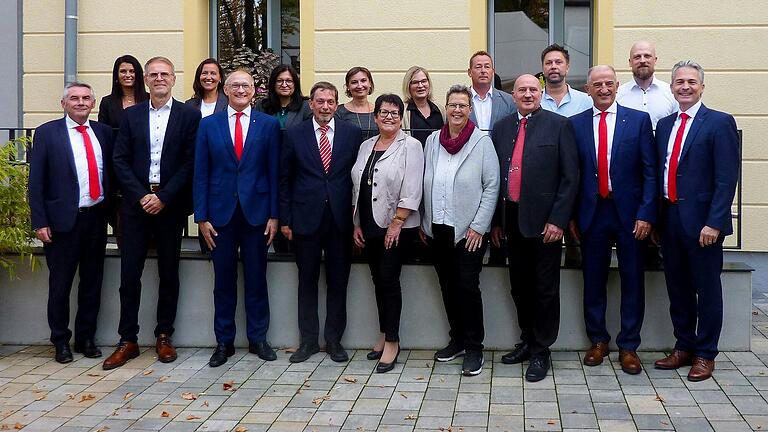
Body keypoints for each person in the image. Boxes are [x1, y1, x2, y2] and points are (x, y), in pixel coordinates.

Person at [105, 56, 201, 370]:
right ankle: (127, 339)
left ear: (174, 79)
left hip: (170, 206)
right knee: (129, 274)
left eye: (165, 74)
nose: (159, 79)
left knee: (169, 272)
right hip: (135, 205)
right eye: (154, 75)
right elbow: (119, 160)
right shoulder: (131, 116)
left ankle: (164, 335)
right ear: (146, 80)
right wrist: (142, 195)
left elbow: (191, 161)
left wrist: (165, 197)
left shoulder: (189, 115)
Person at [653, 60, 739, 382]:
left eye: (691, 82)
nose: (685, 87)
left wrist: (715, 222)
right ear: (672, 87)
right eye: (679, 82)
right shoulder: (665, 125)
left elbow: (726, 177)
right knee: (677, 288)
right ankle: (683, 346)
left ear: (702, 86)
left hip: (704, 224)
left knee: (707, 289)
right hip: (670, 218)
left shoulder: (718, 123)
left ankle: (705, 354)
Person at [490, 74, 578, 382]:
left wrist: (558, 220)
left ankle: (542, 351)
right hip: (511, 220)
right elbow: (495, 179)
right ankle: (527, 341)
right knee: (519, 286)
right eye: (522, 90)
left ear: (540, 94)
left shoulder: (558, 125)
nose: (527, 94)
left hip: (545, 225)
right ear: (512, 95)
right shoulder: (501, 129)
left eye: (533, 90)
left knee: (544, 289)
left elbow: (570, 179)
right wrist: (497, 223)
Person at [568, 65, 656, 375]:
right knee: (593, 280)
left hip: (630, 215)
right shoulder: (575, 124)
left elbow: (649, 171)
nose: (603, 89)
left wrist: (646, 213)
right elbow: (572, 175)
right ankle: (598, 340)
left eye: (608, 83)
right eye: (597, 85)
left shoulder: (639, 121)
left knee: (632, 279)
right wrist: (572, 217)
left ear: (617, 86)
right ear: (588, 89)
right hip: (593, 213)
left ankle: (629, 345)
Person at [194, 70, 281, 367]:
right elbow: (201, 173)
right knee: (224, 281)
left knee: (257, 279)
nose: (241, 90)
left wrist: (274, 214)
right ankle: (224, 342)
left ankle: (258, 338)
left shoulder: (268, 125)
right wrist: (201, 217)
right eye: (235, 85)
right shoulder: (208, 125)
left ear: (254, 91)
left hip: (257, 215)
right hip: (220, 217)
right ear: (226, 90)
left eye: (246, 85)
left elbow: (274, 172)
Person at [28, 82, 113, 364]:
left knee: (92, 282)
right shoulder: (47, 133)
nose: (80, 102)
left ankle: (86, 338)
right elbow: (36, 181)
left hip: (95, 218)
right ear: (62, 103)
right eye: (74, 98)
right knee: (61, 284)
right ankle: (60, 341)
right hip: (62, 222)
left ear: (93, 103)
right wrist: (39, 221)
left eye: (86, 98)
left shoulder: (102, 132)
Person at [279, 82, 363, 363]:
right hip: (305, 220)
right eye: (320, 101)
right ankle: (308, 342)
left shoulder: (352, 134)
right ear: (311, 104)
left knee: (339, 282)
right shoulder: (294, 134)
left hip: (340, 221)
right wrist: (286, 219)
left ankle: (335, 340)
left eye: (330, 101)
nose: (325, 106)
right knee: (307, 282)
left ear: (337, 104)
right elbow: (285, 179)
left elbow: (358, 179)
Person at [421, 84, 499, 377]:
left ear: (470, 110)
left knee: (467, 288)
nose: (457, 110)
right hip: (437, 228)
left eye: (463, 106)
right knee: (447, 286)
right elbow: (426, 181)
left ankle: (474, 346)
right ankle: (457, 340)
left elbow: (491, 186)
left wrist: (479, 226)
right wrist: (425, 222)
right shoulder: (432, 141)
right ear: (446, 108)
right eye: (452, 105)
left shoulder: (481, 142)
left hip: (468, 233)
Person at [351, 94, 424, 373]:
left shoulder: (412, 146)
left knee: (388, 280)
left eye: (395, 112)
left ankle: (393, 341)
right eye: (383, 112)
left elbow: (413, 187)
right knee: (377, 281)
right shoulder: (366, 145)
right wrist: (356, 222)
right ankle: (384, 332)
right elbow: (359, 185)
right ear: (376, 115)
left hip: (396, 227)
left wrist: (397, 222)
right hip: (369, 224)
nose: (389, 116)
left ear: (402, 116)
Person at [617, 41, 678, 130]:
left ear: (655, 60)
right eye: (637, 57)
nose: (642, 60)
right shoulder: (618, 95)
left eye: (647, 56)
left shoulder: (671, 93)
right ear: (630, 62)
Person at [467, 51, 515, 132]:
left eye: (487, 67)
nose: (483, 71)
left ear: (493, 72)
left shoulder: (508, 101)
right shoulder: (460, 101)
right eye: (478, 67)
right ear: (470, 72)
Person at [540, 44, 593, 117]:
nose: (553, 66)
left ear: (567, 68)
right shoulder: (535, 101)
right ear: (543, 69)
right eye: (548, 63)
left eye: (558, 62)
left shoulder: (586, 101)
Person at [255, 64, 312, 130]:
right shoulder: (262, 106)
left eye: (289, 81)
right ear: (273, 84)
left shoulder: (306, 106)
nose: (284, 85)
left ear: (295, 84)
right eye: (279, 81)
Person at [98, 55, 149, 129]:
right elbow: (102, 131)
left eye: (132, 71)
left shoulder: (150, 99)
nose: (128, 75)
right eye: (123, 71)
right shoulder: (107, 102)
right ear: (116, 75)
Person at [401, 66, 444, 145]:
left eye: (424, 81)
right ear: (408, 86)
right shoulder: (403, 111)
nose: (420, 85)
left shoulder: (441, 110)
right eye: (415, 82)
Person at [336, 66, 378, 141]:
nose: (359, 85)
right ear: (348, 86)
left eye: (363, 81)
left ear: (370, 83)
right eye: (354, 82)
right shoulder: (338, 112)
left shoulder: (379, 110)